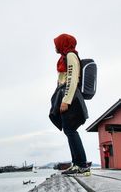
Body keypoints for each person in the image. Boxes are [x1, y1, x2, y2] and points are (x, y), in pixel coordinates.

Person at [50, 33, 89, 175]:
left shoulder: (71, 55)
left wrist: (66, 100)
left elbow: (72, 79)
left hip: (70, 97)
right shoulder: (64, 57)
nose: (55, 46)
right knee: (69, 130)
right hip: (66, 95)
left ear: (63, 43)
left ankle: (82, 164)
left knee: (71, 130)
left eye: (57, 43)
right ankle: (76, 164)